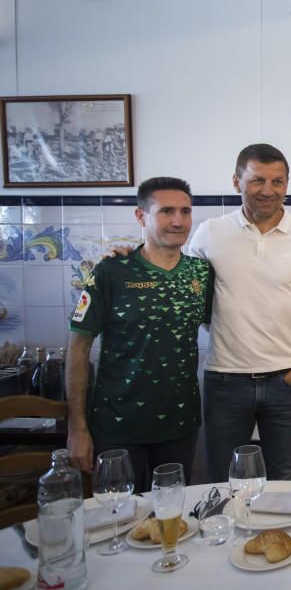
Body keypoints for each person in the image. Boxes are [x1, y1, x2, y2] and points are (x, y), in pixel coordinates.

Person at [189, 143, 291, 481]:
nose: (268, 191)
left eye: (277, 182)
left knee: (283, 476)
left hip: (287, 379)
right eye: (257, 181)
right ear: (237, 182)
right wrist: (129, 257)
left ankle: (277, 535)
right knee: (223, 479)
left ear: (286, 184)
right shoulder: (210, 233)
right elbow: (182, 287)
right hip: (225, 379)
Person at [66, 177, 213, 492]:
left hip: (180, 426)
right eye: (166, 211)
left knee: (168, 522)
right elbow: (78, 349)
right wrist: (77, 427)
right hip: (117, 427)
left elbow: (230, 324)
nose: (178, 221)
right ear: (140, 216)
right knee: (116, 523)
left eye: (185, 212)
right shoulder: (110, 272)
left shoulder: (201, 273)